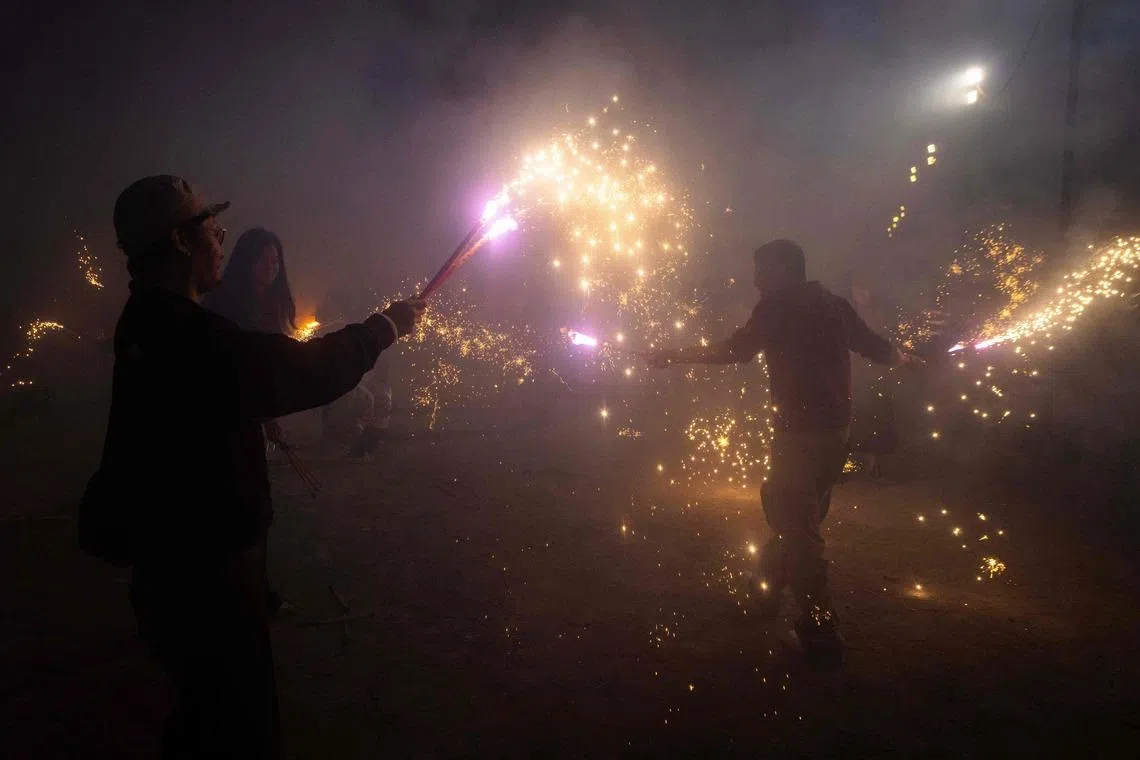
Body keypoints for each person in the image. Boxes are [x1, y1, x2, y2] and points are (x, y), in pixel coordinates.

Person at [84, 175, 423, 757]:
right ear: (180, 242)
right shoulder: (186, 336)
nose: (222, 241)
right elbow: (293, 372)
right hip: (202, 576)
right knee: (236, 730)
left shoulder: (151, 319)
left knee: (205, 717)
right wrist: (382, 329)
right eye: (212, 231)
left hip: (179, 571)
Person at [646, 239, 919, 665]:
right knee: (795, 516)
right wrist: (903, 357)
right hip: (835, 435)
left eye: (762, 269)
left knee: (799, 529)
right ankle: (766, 593)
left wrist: (673, 355)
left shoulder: (778, 307)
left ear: (786, 269)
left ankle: (820, 633)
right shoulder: (832, 303)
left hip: (800, 436)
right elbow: (875, 346)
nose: (755, 279)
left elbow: (734, 351)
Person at [202, 228, 300, 616]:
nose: (271, 267)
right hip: (219, 425)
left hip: (249, 422)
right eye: (263, 258)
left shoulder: (272, 308)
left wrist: (269, 415)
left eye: (276, 259)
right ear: (246, 261)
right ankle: (243, 596)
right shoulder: (224, 307)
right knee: (239, 511)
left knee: (253, 510)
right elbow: (230, 373)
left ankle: (252, 591)